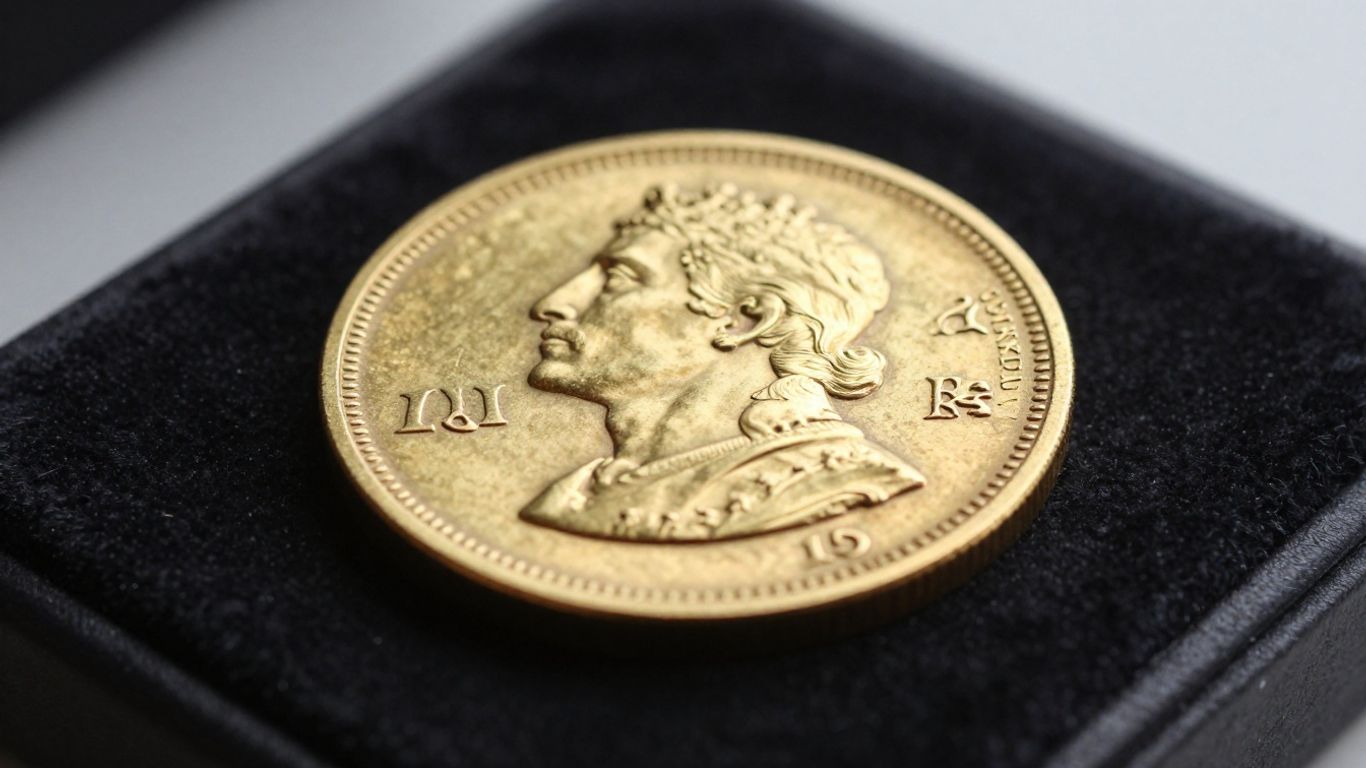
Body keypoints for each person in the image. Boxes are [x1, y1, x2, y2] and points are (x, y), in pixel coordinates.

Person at [521, 183, 923, 541]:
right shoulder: (577, 492)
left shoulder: (839, 483)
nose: (552, 305)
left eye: (621, 277)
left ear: (746, 318)